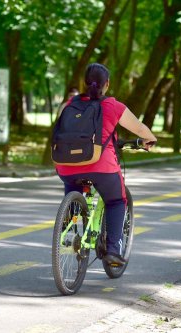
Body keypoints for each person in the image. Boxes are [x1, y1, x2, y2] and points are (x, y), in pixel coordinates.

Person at [55, 63, 157, 266]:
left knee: (73, 183)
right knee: (117, 201)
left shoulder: (68, 105)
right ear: (107, 84)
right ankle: (112, 250)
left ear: (84, 82)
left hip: (66, 165)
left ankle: (70, 213)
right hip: (101, 166)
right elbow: (139, 128)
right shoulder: (112, 105)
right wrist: (150, 139)